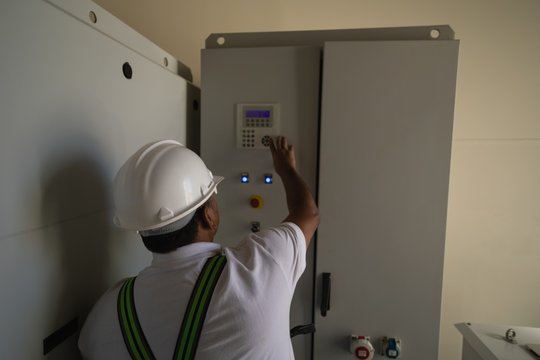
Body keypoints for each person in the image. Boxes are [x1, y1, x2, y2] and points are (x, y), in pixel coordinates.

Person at [78, 136, 319, 359]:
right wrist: (286, 167)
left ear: (141, 229)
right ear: (208, 216)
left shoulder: (108, 312)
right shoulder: (261, 268)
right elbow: (308, 213)